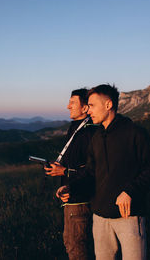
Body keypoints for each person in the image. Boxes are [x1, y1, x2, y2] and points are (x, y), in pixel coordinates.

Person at [67, 84, 150, 260]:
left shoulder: (135, 133)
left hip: (129, 216)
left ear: (108, 105)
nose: (88, 111)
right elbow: (90, 173)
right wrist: (71, 189)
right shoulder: (96, 138)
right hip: (100, 218)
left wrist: (130, 192)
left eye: (92, 105)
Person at [44, 88, 96, 260]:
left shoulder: (89, 132)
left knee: (77, 248)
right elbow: (76, 161)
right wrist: (60, 166)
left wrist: (64, 171)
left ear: (85, 108)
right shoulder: (76, 128)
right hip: (71, 197)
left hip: (80, 201)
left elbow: (93, 170)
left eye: (73, 102)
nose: (68, 106)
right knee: (70, 243)